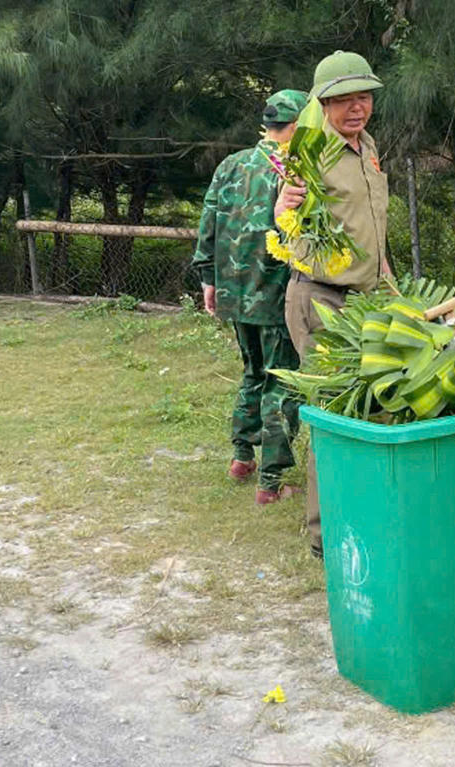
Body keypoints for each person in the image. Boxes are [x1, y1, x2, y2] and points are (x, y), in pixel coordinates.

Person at [276, 50, 393, 559]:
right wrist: (284, 206)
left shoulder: (367, 146)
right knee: (332, 413)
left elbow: (372, 228)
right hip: (321, 297)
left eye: (362, 97)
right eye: (342, 99)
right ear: (321, 104)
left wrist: (390, 285)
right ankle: (325, 534)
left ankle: (364, 509)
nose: (355, 108)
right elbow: (287, 210)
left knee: (375, 404)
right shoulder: (308, 151)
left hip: (369, 297)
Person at [193, 89, 308, 504]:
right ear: (295, 127)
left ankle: (242, 457)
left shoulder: (230, 165)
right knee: (282, 382)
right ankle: (271, 483)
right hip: (276, 295)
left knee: (251, 371)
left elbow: (209, 220)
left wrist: (208, 278)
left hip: (233, 291)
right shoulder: (294, 168)